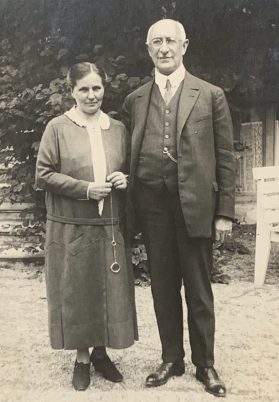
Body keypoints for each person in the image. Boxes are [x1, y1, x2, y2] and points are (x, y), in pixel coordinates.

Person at [123, 19, 235, 397]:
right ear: (148, 48)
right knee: (162, 286)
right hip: (152, 206)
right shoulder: (135, 100)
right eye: (157, 41)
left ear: (185, 45)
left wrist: (225, 212)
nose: (164, 47)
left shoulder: (210, 95)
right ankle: (172, 358)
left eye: (171, 40)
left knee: (199, 290)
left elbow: (225, 158)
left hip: (196, 206)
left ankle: (206, 365)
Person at [36, 62, 137, 391]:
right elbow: (43, 175)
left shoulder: (118, 129)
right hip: (71, 225)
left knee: (108, 289)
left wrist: (124, 179)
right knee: (77, 291)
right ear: (72, 92)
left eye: (96, 88)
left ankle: (101, 353)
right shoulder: (57, 128)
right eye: (84, 89)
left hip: (108, 224)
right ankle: (81, 358)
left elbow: (129, 170)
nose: (91, 95)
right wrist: (85, 189)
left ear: (104, 89)